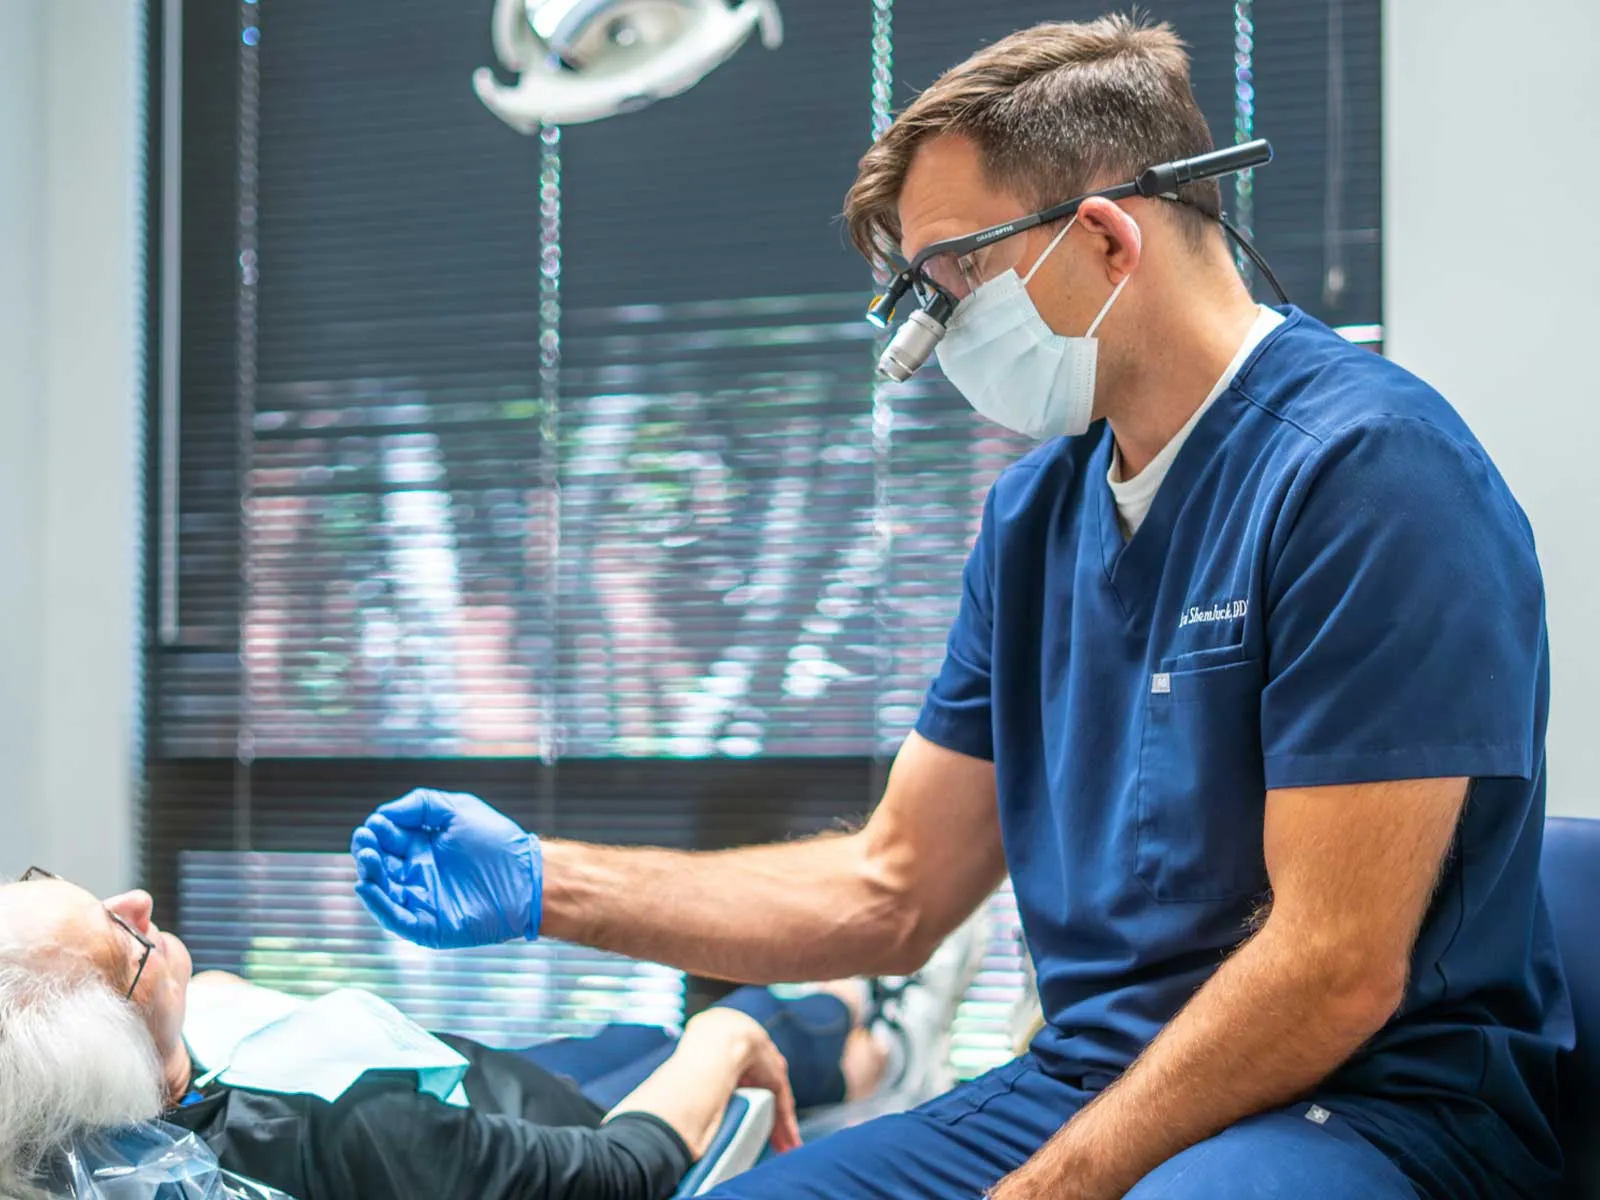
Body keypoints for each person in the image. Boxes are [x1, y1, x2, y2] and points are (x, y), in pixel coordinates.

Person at [350, 14, 1570, 1200]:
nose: (926, 344)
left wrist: (1057, 1184)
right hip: (1090, 1083)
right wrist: (543, 883)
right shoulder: (1036, 516)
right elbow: (891, 888)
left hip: (1367, 1106)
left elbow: (1333, 970)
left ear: (1104, 239)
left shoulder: (1366, 470)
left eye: (951, 283)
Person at [0, 869, 981, 1200]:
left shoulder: (70, 1143)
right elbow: (615, 1173)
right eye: (125, 944)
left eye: (49, 880)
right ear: (113, 1055)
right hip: (576, 1131)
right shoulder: (353, 1134)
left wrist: (182, 995)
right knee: (764, 1025)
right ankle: (894, 1037)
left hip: (491, 1085)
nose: (138, 902)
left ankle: (867, 1009)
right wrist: (723, 1036)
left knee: (632, 1025)